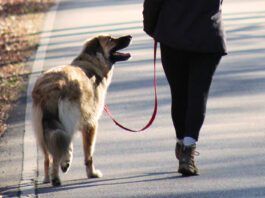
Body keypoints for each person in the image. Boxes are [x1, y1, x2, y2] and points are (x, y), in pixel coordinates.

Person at [143, 0, 227, 176]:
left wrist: (152, 26)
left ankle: (182, 144)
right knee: (198, 95)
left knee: (179, 94)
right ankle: (188, 149)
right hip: (208, 35)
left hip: (173, 34)